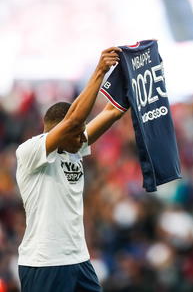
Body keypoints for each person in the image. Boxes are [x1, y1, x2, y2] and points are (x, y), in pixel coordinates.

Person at [15, 47, 125, 292]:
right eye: (76, 133)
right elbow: (74, 121)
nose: (82, 138)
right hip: (44, 264)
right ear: (58, 131)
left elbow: (113, 111)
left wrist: (131, 73)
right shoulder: (30, 151)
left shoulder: (73, 147)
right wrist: (99, 71)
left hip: (78, 259)